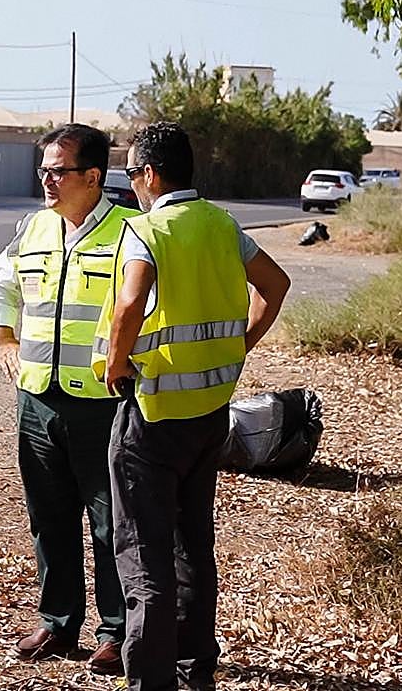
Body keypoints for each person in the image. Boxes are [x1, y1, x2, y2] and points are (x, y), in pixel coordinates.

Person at [91, 122, 290, 691]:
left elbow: (130, 304)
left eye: (132, 174)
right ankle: (194, 669)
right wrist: (239, 345)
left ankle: (151, 682)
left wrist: (116, 363)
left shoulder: (147, 231)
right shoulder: (222, 225)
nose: (132, 184)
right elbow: (276, 285)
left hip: (152, 415)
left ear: (151, 175)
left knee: (143, 555)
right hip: (209, 414)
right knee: (193, 546)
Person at [0, 123, 138, 675]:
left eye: (58, 171)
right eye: (43, 170)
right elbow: (0, 282)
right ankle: (58, 622)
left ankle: (116, 632)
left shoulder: (129, 233)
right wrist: (3, 338)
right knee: (49, 517)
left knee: (110, 524)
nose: (46, 180)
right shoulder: (34, 227)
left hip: (103, 403)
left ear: (92, 177)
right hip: (37, 401)